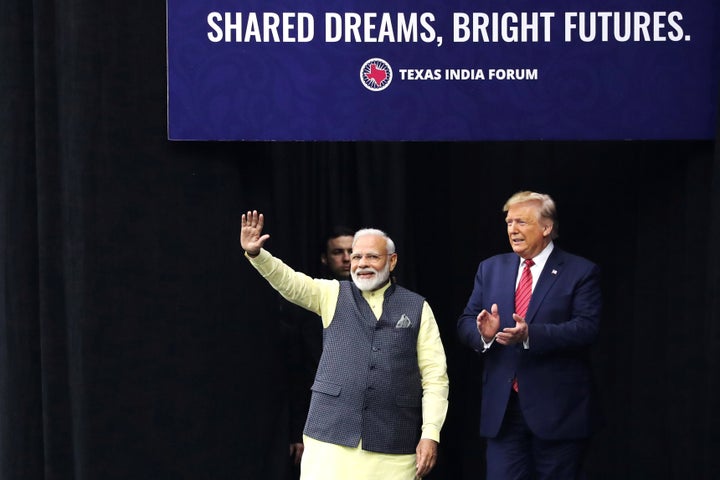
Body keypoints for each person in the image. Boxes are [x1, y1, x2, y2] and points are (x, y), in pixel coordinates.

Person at [241, 210, 449, 480]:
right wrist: (258, 255)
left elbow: (435, 378)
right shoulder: (332, 293)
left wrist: (430, 433)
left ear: (392, 260)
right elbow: (290, 282)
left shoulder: (417, 306)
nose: (362, 263)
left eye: (372, 256)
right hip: (330, 438)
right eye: (357, 256)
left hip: (394, 443)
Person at [457, 191, 603, 480]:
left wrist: (529, 334)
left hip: (558, 412)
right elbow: (465, 321)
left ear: (546, 227)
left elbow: (587, 328)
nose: (512, 229)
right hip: (504, 412)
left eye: (521, 222)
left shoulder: (580, 271)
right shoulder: (490, 269)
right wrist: (484, 335)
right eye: (509, 222)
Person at [282, 226, 355, 478]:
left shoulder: (385, 303)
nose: (347, 258)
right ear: (325, 258)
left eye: (352, 252)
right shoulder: (308, 307)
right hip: (322, 425)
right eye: (338, 252)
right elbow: (298, 373)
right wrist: (297, 432)